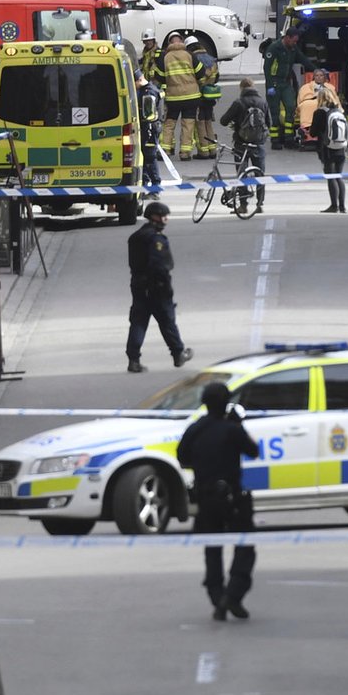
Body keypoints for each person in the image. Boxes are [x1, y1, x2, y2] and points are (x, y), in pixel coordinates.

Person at [177, 381, 259, 621]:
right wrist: (237, 425)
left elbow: (182, 457)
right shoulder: (231, 429)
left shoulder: (195, 429)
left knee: (212, 550)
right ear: (225, 403)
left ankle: (217, 596)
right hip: (233, 499)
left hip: (205, 497)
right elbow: (253, 451)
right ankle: (232, 595)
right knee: (245, 547)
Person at [125, 202, 192, 373]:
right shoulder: (156, 239)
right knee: (167, 321)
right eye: (163, 216)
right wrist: (165, 287)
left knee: (138, 322)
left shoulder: (135, 237)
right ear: (154, 217)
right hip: (156, 287)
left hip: (138, 285)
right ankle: (178, 353)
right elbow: (159, 265)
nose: (166, 220)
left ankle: (133, 360)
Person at [220, 78, 270, 212]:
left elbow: (223, 121)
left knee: (242, 174)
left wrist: (236, 123)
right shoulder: (262, 102)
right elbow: (269, 123)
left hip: (241, 143)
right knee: (260, 173)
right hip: (258, 144)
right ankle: (260, 204)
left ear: (241, 88)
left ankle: (243, 205)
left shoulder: (239, 103)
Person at [262, 29, 315, 149]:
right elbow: (267, 69)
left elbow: (303, 59)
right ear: (287, 37)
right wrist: (270, 86)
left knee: (291, 107)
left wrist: (315, 69)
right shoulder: (274, 48)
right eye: (293, 41)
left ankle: (289, 139)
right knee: (275, 113)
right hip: (274, 84)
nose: (295, 43)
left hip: (285, 83)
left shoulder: (293, 48)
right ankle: (275, 141)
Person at [159, 33, 204, 161]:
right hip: (191, 97)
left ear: (169, 43)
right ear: (182, 41)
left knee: (169, 124)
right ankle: (185, 153)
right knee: (188, 124)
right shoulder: (190, 55)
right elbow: (201, 72)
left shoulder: (166, 57)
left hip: (173, 98)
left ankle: (166, 150)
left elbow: (159, 76)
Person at [309, 84, 348, 213]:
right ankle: (342, 206)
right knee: (339, 176)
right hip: (341, 147)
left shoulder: (320, 112)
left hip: (327, 148)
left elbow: (313, 132)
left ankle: (334, 205)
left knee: (331, 176)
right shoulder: (340, 112)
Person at [185, 35, 220, 159]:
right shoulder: (211, 59)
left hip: (199, 95)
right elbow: (216, 77)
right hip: (210, 96)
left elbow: (195, 77)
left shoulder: (194, 59)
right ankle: (213, 150)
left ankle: (204, 151)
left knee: (200, 123)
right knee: (208, 122)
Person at [136, 71, 162, 192]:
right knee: (145, 157)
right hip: (148, 127)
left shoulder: (148, 93)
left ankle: (155, 187)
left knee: (150, 157)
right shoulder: (148, 89)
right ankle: (145, 184)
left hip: (149, 128)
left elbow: (148, 114)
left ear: (139, 80)